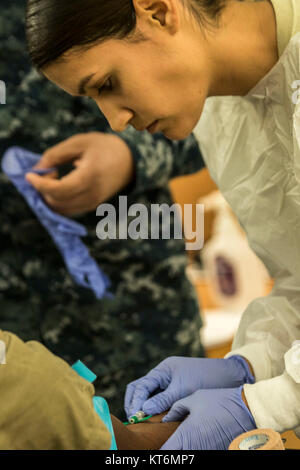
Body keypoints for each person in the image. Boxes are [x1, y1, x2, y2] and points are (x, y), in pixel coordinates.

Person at [25, 0, 300, 450]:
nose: (115, 121)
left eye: (107, 84)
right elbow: (299, 281)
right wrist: (253, 363)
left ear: (157, 11)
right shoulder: (220, 115)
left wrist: (267, 404)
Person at [0, 0, 205, 420]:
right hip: (15, 353)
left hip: (136, 323)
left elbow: (213, 101)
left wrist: (129, 157)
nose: (112, 116)